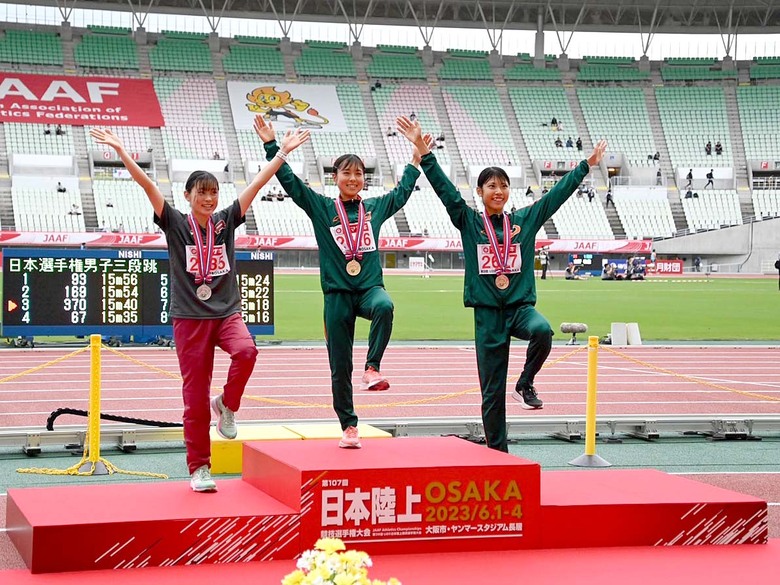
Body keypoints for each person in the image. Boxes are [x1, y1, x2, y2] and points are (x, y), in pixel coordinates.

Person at [89, 118, 310, 492]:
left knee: (247, 351)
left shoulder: (226, 222)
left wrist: (283, 152)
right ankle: (199, 468)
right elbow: (146, 185)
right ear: (188, 195)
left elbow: (257, 183)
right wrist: (121, 151)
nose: (209, 198)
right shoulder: (174, 222)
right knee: (193, 398)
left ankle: (226, 403)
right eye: (202, 192)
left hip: (225, 312)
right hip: (189, 320)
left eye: (213, 192)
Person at [397, 114, 607, 452]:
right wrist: (423, 151)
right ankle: (499, 452)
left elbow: (556, 196)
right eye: (491, 186)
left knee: (543, 331)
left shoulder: (524, 220)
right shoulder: (469, 221)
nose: (499, 191)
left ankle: (525, 383)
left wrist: (587, 165)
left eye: (503, 185)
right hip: (488, 316)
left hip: (520, 308)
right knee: (492, 392)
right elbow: (445, 191)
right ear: (480, 192)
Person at [260, 119, 426, 451]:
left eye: (359, 174)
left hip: (368, 290)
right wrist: (273, 146)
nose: (353, 179)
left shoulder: (375, 208)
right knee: (339, 365)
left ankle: (373, 367)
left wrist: (416, 158)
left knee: (385, 306)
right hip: (336, 296)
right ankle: (349, 426)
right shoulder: (323, 208)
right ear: (335, 178)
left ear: (365, 179)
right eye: (346, 173)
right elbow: (291, 184)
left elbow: (403, 193)